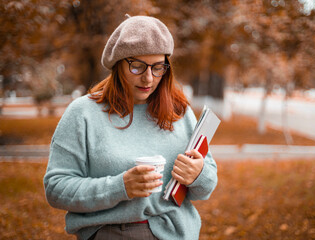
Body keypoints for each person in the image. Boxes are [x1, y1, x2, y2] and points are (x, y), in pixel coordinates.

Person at [44, 14, 217, 240]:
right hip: (111, 232)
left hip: (176, 232)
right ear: (118, 64)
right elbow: (56, 189)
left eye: (158, 67)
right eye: (137, 66)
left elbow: (207, 183)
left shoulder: (179, 112)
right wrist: (119, 187)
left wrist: (198, 175)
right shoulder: (83, 114)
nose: (148, 78)